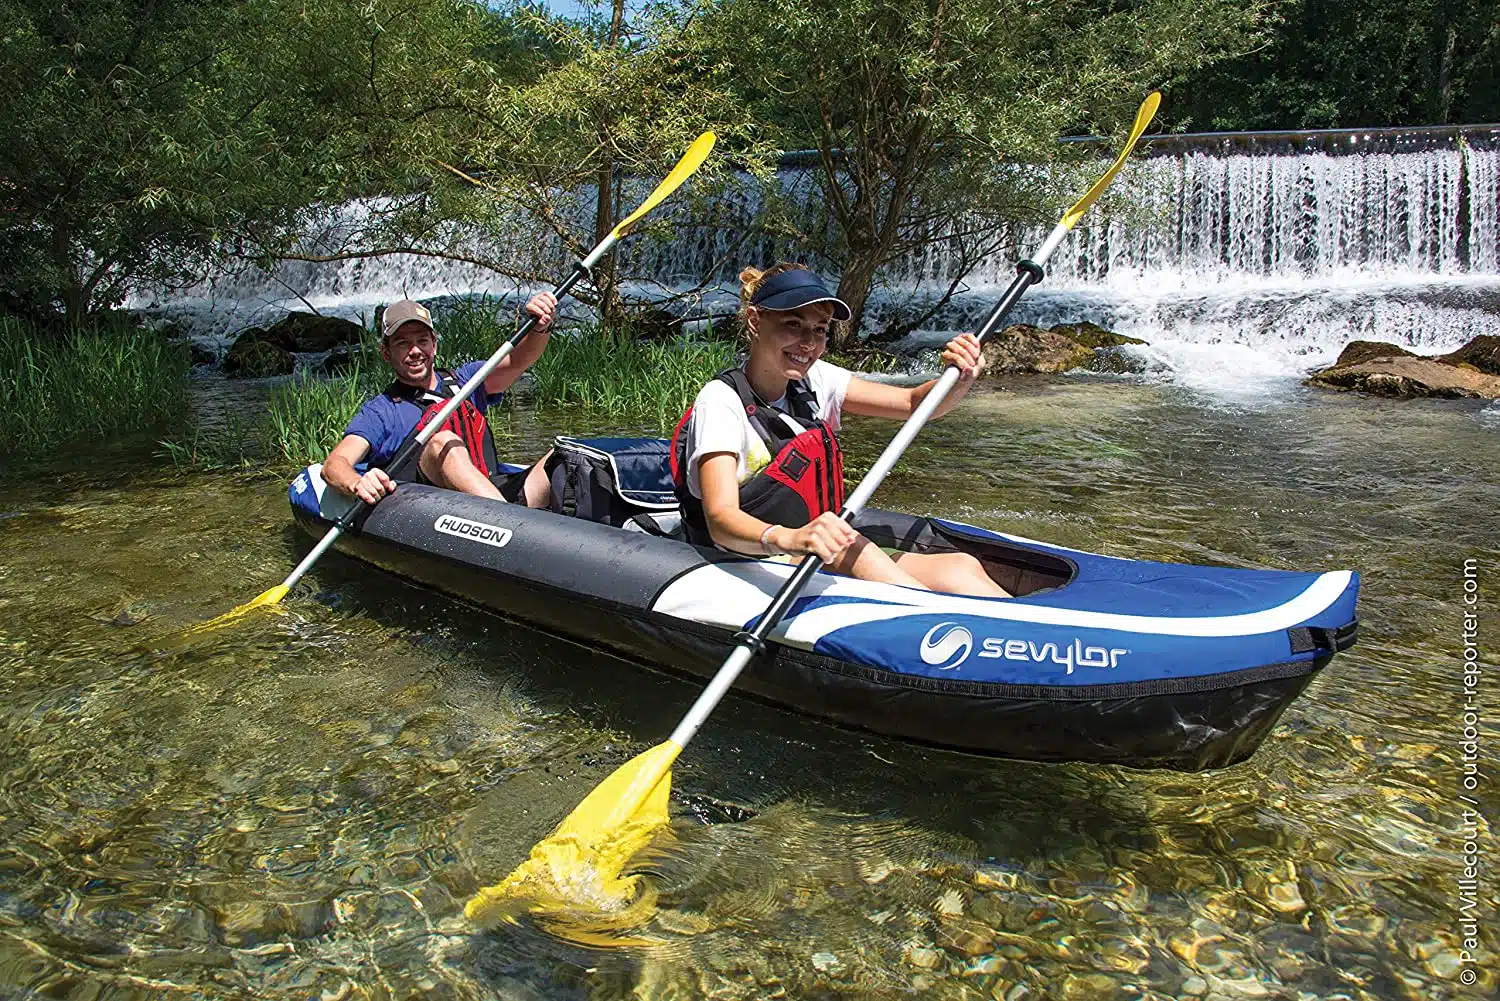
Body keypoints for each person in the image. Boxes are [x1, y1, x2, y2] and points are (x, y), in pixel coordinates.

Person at [671, 263, 1010, 597]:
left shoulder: (815, 379)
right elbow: (720, 519)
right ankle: (943, 622)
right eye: (793, 325)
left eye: (820, 330)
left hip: (810, 550)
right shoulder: (720, 403)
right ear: (756, 321)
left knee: (960, 568)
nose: (808, 342)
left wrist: (960, 377)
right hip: (749, 558)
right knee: (852, 549)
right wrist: (792, 537)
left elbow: (913, 403)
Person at [322, 295, 556, 508]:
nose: (415, 351)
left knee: (563, 455)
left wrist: (540, 328)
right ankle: (510, 520)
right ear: (386, 352)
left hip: (494, 489)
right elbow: (335, 464)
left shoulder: (466, 380)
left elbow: (517, 360)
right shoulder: (381, 411)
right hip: (439, 510)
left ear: (433, 344)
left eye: (422, 341)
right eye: (403, 343)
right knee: (443, 442)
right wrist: (358, 483)